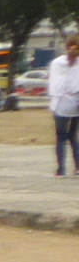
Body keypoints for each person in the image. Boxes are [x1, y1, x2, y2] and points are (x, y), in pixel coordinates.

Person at [49, 34, 79, 175]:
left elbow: (54, 84)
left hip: (61, 103)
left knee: (61, 138)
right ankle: (78, 167)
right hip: (76, 104)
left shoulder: (56, 63)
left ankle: (61, 169)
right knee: (73, 137)